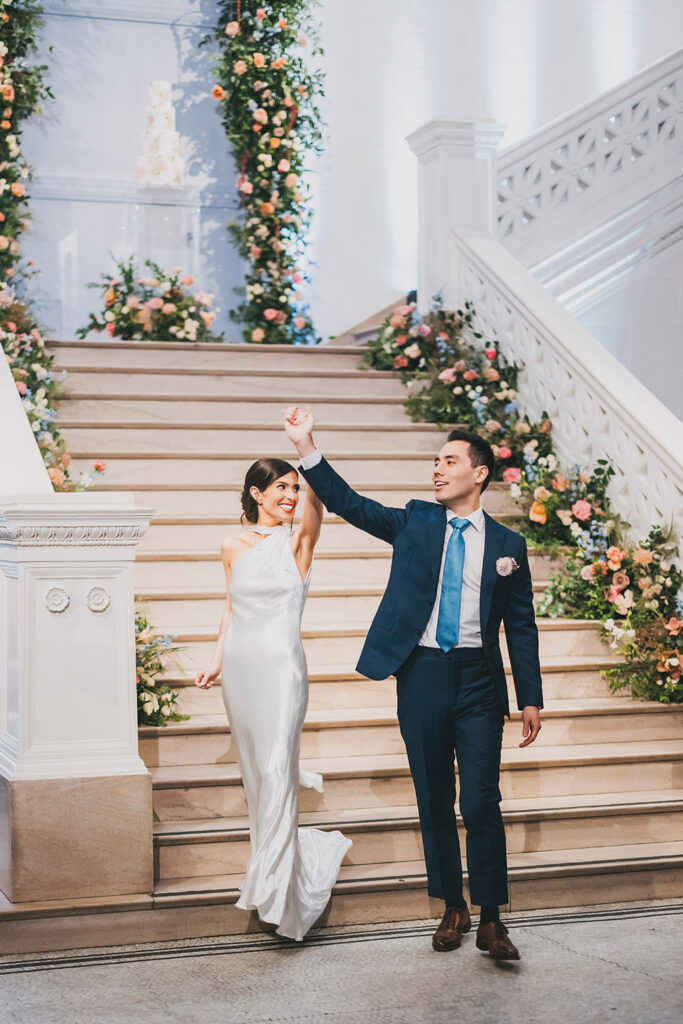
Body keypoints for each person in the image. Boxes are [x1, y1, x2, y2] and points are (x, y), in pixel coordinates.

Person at [284, 406, 543, 960]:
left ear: (480, 474)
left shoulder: (507, 547)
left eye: (450, 461)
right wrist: (308, 448)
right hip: (421, 673)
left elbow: (521, 628)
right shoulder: (415, 521)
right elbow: (352, 506)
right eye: (434, 461)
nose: (437, 469)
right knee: (434, 797)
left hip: (479, 681)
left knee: (480, 801)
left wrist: (531, 699)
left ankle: (494, 919)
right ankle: (453, 905)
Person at [194, 456, 352, 941]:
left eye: (295, 487)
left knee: (279, 766)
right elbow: (230, 606)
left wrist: (310, 458)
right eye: (280, 487)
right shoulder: (231, 545)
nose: (290, 495)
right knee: (258, 773)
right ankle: (270, 864)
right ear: (256, 493)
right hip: (241, 669)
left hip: (283, 668)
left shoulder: (298, 541)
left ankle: (279, 890)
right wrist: (217, 657)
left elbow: (315, 514)